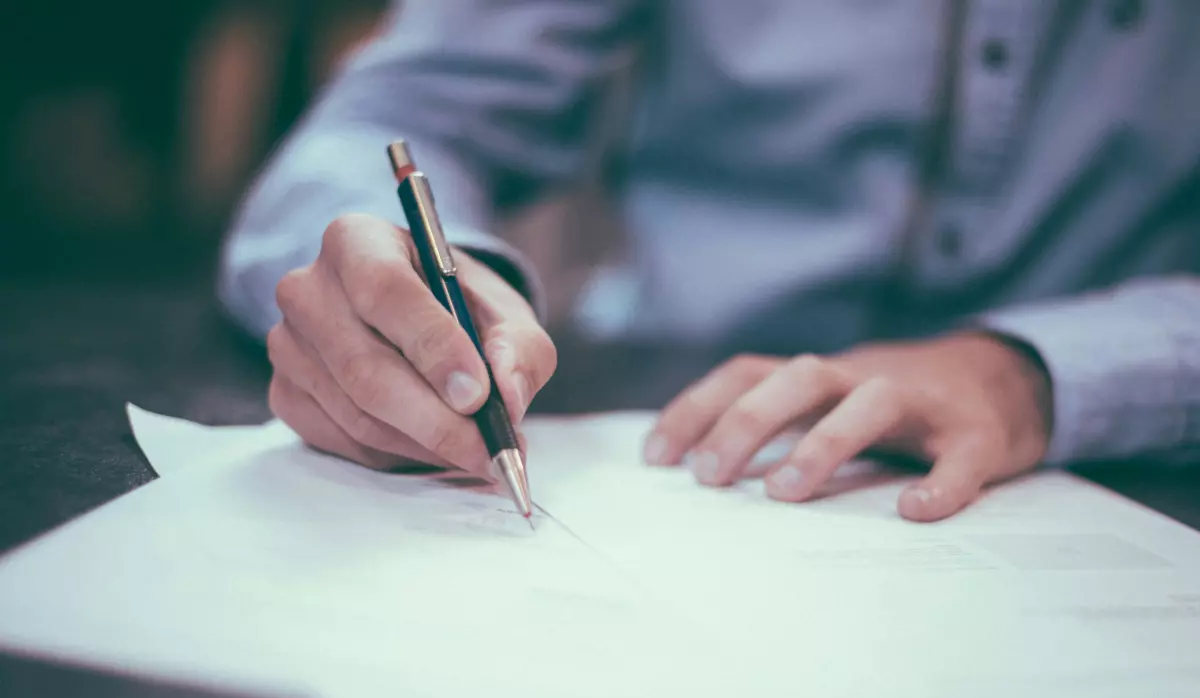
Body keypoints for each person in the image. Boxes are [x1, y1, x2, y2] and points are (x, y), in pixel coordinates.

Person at [220, 0, 1200, 522]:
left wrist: (1034, 371)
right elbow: (400, 118)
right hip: (663, 426)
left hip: (1111, 468)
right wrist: (406, 294)